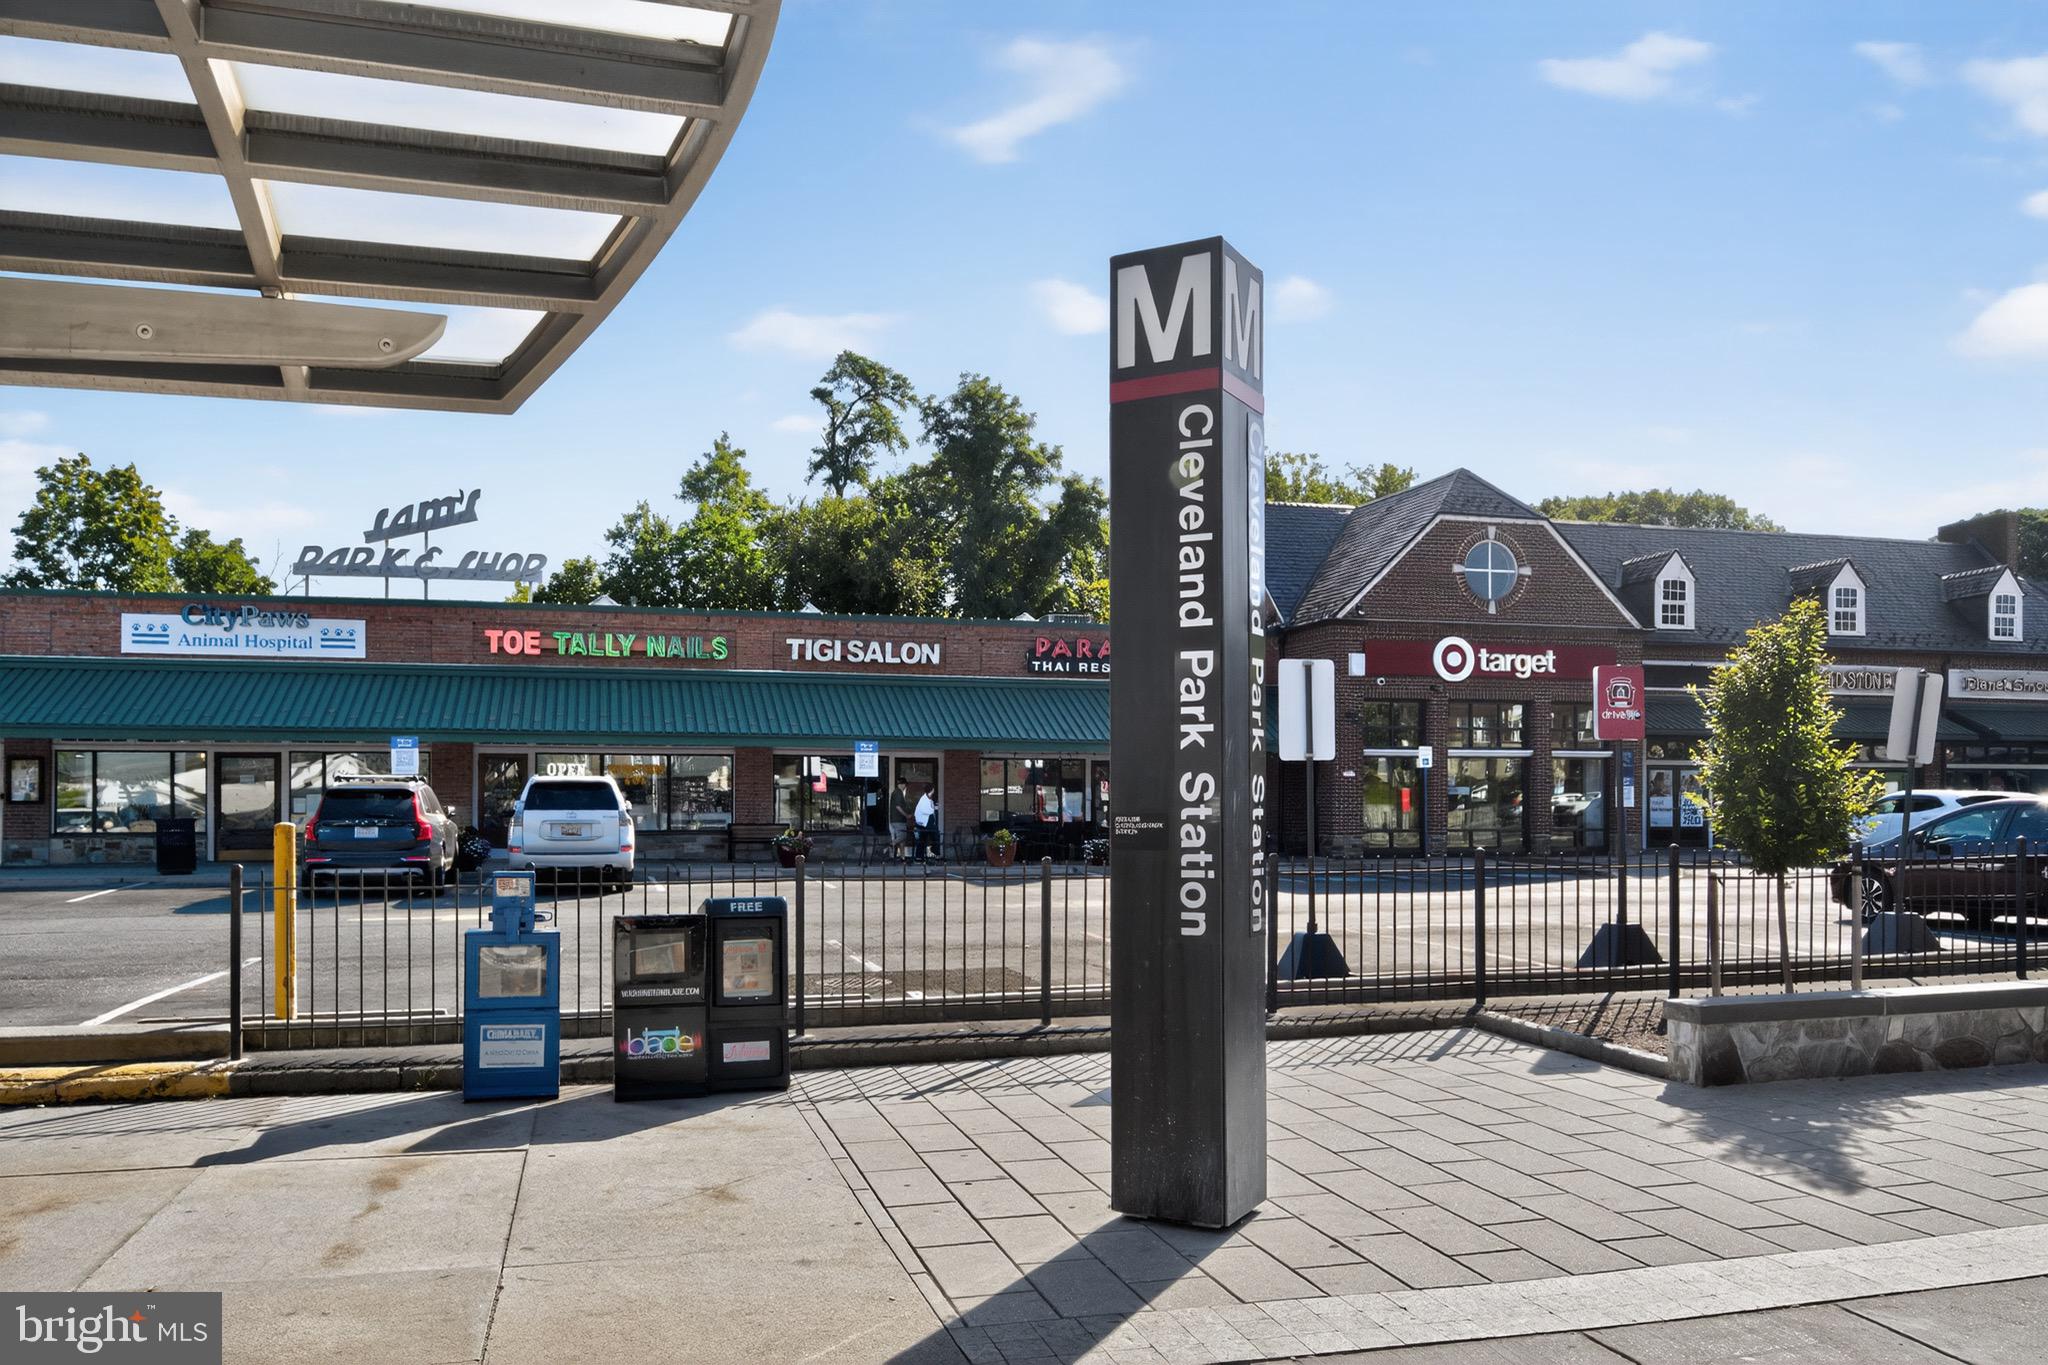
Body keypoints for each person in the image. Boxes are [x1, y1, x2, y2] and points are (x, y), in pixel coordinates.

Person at [888, 779, 913, 862]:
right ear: (902, 784)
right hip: (898, 820)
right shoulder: (898, 793)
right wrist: (906, 815)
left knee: (902, 840)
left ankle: (903, 857)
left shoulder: (895, 792)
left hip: (895, 820)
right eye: (905, 785)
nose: (905, 787)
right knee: (903, 836)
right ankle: (890, 845)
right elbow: (898, 807)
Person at [913, 787, 937, 862]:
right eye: (932, 790)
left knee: (922, 840)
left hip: (924, 823)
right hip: (923, 824)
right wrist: (934, 808)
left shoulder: (927, 799)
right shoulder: (924, 800)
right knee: (934, 837)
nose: (933, 792)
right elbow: (927, 810)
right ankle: (933, 853)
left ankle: (920, 857)